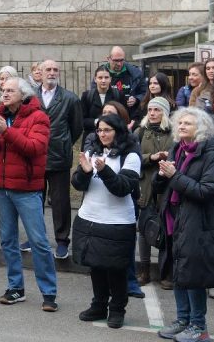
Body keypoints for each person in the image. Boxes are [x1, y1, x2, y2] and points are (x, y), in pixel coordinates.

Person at [0, 77, 59, 311]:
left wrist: (7, 131)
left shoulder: (39, 117)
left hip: (26, 189)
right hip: (2, 188)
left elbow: (34, 148)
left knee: (38, 241)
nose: (4, 94)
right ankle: (16, 288)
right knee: (8, 241)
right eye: (3, 90)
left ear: (23, 94)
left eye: (10, 90)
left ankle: (49, 292)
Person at [153, 107, 214, 342]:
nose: (181, 126)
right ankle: (182, 319)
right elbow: (167, 184)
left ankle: (199, 326)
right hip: (176, 219)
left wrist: (174, 175)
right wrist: (161, 175)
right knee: (179, 272)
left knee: (193, 275)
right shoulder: (179, 150)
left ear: (202, 129)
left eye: (188, 123)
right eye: (180, 123)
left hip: (200, 222)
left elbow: (206, 191)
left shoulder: (212, 156)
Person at [71, 113, 141, 329]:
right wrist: (84, 172)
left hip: (117, 222)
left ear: (118, 131)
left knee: (116, 269)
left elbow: (122, 188)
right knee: (96, 267)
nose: (102, 134)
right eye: (99, 130)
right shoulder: (93, 151)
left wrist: (103, 170)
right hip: (90, 218)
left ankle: (117, 309)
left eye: (107, 130)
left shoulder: (131, 156)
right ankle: (99, 305)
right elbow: (78, 184)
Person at [35, 59, 82, 260]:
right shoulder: (30, 97)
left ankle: (62, 240)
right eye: (48, 69)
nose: (52, 73)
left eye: (55, 69)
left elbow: (77, 127)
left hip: (59, 157)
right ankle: (35, 236)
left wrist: (63, 143)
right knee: (34, 200)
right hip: (34, 156)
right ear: (40, 72)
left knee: (61, 202)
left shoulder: (70, 99)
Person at [134, 97, 173, 289]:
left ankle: (166, 273)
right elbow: (132, 156)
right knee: (144, 228)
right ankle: (144, 270)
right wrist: (152, 157)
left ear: (164, 112)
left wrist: (167, 158)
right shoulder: (140, 131)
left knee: (167, 229)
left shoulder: (173, 132)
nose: (152, 113)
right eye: (150, 109)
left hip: (167, 186)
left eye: (157, 110)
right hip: (146, 184)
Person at [90, 47, 146, 116]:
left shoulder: (135, 73)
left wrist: (136, 99)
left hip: (128, 116)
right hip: (106, 116)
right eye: (116, 60)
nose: (119, 64)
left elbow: (145, 93)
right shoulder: (101, 73)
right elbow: (94, 94)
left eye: (121, 60)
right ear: (108, 59)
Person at [81, 66, 125, 137]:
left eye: (106, 77)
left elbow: (123, 118)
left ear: (110, 79)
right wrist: (96, 122)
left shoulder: (119, 95)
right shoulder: (87, 96)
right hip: (91, 138)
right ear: (95, 79)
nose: (103, 80)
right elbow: (82, 120)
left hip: (113, 138)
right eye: (100, 78)